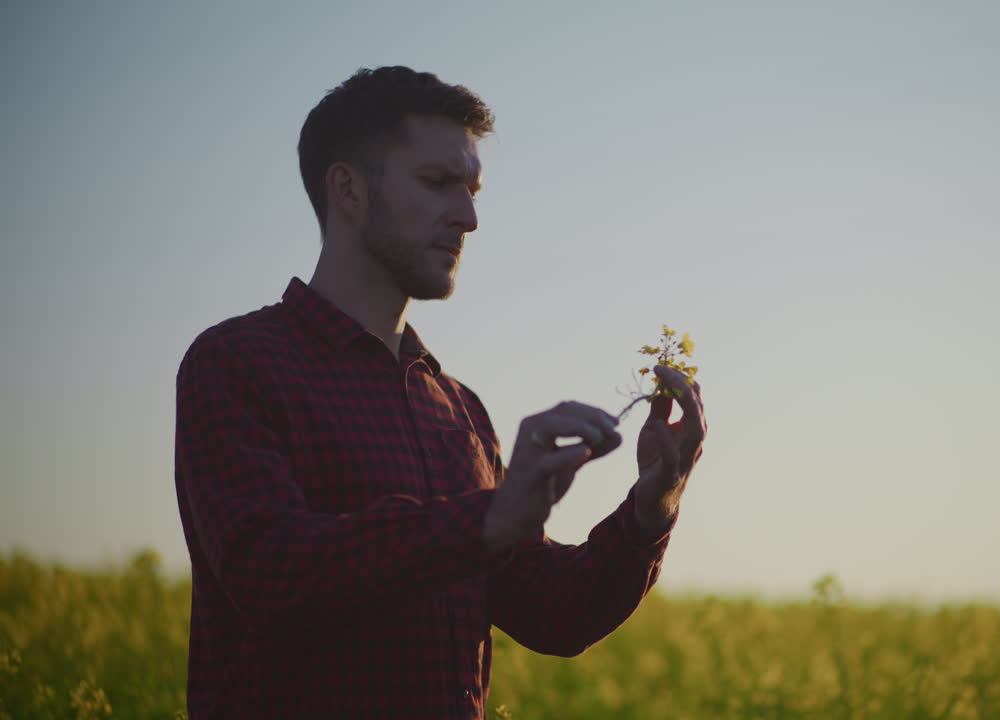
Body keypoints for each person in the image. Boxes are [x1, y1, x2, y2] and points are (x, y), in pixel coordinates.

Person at [174, 66, 706, 719]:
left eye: (473, 189)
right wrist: (487, 518)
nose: (470, 217)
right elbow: (272, 576)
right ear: (347, 189)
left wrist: (653, 505)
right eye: (438, 184)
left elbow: (553, 615)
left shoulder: (459, 409)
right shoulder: (237, 365)